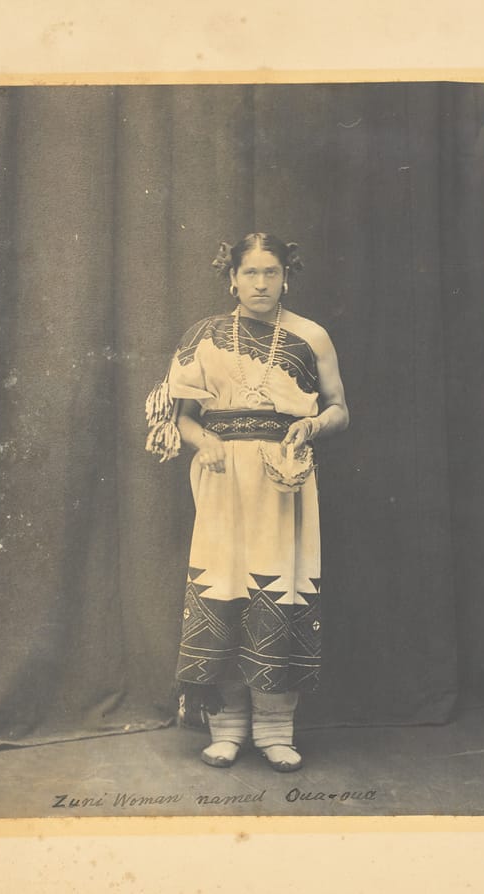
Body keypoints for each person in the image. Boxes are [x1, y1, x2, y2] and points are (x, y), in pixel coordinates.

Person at [145, 233, 349, 772]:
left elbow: (340, 410)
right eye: (250, 273)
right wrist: (204, 440)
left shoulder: (311, 337)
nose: (261, 284)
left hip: (285, 478)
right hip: (222, 480)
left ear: (287, 276)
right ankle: (228, 729)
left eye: (272, 272)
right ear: (231, 277)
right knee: (226, 588)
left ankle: (277, 729)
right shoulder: (204, 336)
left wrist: (312, 424)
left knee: (280, 588)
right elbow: (182, 417)